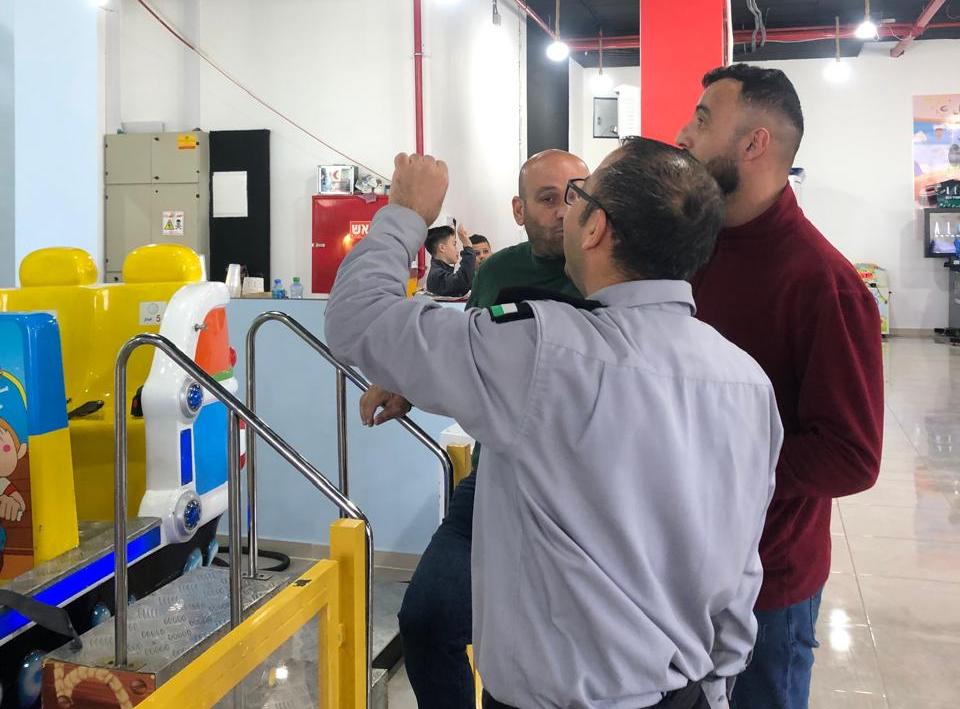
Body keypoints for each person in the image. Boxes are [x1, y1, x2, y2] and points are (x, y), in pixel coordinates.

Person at [326, 140, 781, 708]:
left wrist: (405, 212)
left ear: (596, 229)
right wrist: (718, 687)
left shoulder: (543, 348)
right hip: (684, 692)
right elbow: (741, 564)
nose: (565, 210)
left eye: (578, 195)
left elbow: (358, 319)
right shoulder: (747, 382)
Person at [676, 64, 884, 709]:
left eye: (702, 119)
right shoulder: (691, 249)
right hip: (675, 568)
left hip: (766, 586)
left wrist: (718, 465)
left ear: (755, 143)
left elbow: (850, 455)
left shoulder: (823, 283)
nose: (683, 134)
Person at [359, 148, 587, 708]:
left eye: (577, 194)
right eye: (548, 198)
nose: (565, 210)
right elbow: (473, 359)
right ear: (518, 210)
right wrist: (410, 384)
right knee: (426, 620)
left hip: (581, 497)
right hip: (496, 484)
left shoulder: (611, 271)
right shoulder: (499, 273)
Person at [426, 223, 476, 297]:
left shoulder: (439, 271)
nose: (457, 250)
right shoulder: (436, 276)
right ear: (442, 248)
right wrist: (467, 246)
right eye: (454, 244)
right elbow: (463, 283)